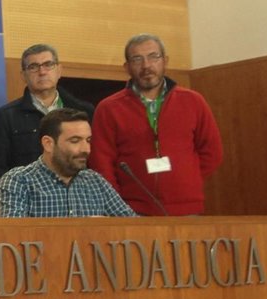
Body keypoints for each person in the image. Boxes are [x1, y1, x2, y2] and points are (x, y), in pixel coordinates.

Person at [88, 34, 223, 215]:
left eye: (153, 57)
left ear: (165, 61)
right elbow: (101, 162)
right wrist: (118, 205)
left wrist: (186, 176)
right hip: (132, 211)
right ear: (126, 67)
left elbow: (212, 152)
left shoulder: (193, 101)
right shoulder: (108, 108)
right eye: (137, 59)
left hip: (187, 209)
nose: (146, 65)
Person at [0, 44, 96, 188]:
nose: (42, 72)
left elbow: (94, 160)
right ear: (23, 75)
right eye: (33, 67)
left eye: (48, 65)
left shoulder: (83, 111)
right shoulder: (5, 117)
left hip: (77, 194)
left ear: (59, 70)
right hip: (26, 196)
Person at [0, 108, 135, 217]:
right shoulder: (19, 181)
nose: (86, 149)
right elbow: (13, 235)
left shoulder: (96, 181)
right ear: (48, 144)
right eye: (75, 141)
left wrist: (105, 227)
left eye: (88, 140)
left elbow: (133, 227)